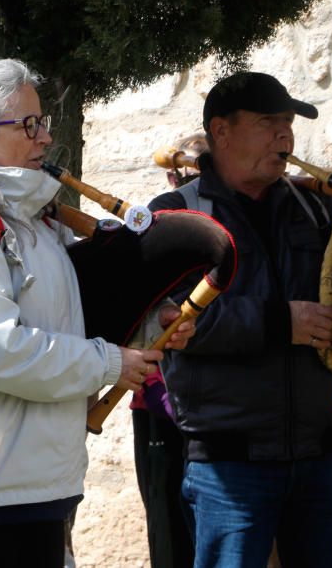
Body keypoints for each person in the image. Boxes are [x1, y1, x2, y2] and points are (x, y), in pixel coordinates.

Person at [0, 49, 195, 568]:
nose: (45, 138)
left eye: (43, 122)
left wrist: (145, 329)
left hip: (35, 483)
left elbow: (59, 323)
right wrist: (109, 363)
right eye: (27, 125)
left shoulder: (37, 225)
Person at [149, 72, 332, 567]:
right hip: (228, 463)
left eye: (288, 124)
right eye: (268, 123)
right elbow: (173, 321)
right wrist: (279, 323)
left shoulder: (315, 203)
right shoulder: (176, 214)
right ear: (222, 131)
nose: (285, 136)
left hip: (324, 456)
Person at [128, 133, 206, 568]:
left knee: (175, 522)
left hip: (194, 397)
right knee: (169, 518)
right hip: (159, 396)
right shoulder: (164, 212)